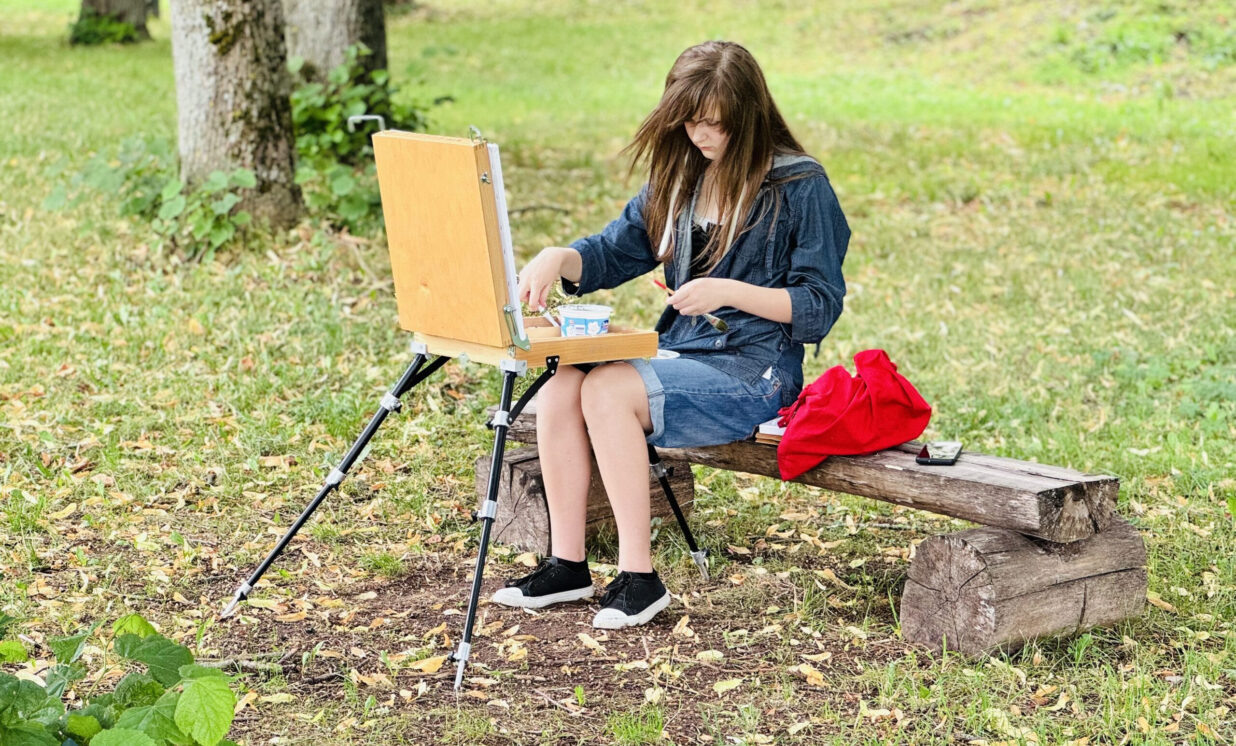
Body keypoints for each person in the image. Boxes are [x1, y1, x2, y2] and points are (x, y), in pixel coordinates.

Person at [491, 40, 850, 629]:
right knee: (562, 383)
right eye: (689, 120)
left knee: (607, 389)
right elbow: (613, 252)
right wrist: (560, 257)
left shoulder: (799, 186)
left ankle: (640, 577)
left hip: (756, 372)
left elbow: (820, 305)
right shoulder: (683, 179)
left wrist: (728, 291)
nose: (700, 134)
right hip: (685, 353)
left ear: (749, 116)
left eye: (715, 123)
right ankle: (567, 564)